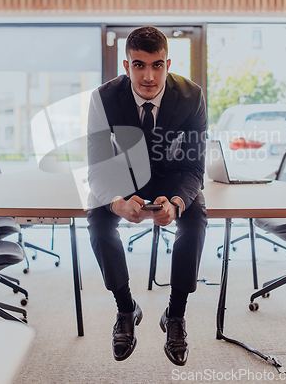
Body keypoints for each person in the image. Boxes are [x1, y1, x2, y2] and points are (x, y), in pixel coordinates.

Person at [87, 26, 207, 366]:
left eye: (157, 65)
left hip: (174, 178)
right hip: (123, 178)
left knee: (195, 219)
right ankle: (126, 308)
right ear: (126, 67)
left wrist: (178, 202)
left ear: (168, 64)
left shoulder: (191, 96)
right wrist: (116, 201)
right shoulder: (103, 98)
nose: (149, 76)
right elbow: (96, 167)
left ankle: (175, 314)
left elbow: (195, 166)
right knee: (97, 219)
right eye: (139, 65)